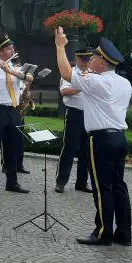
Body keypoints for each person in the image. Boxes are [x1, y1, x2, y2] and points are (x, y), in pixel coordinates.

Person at [54, 28, 132, 246]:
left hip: (101, 139)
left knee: (102, 187)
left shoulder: (98, 82)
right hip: (120, 138)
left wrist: (60, 46)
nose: (91, 60)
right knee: (119, 186)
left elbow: (65, 72)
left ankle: (103, 233)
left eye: (95, 57)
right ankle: (124, 233)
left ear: (102, 63)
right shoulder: (123, 83)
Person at [0, 35, 32, 195]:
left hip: (14, 109)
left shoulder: (16, 67)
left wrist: (11, 71)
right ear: (1, 52)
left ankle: (12, 182)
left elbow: (29, 77)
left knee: (13, 146)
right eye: (9, 48)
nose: (13, 50)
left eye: (12, 48)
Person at [55, 48, 95, 194]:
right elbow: (64, 91)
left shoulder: (93, 74)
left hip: (90, 115)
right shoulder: (70, 72)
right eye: (84, 59)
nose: (86, 62)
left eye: (88, 59)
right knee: (69, 148)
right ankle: (61, 182)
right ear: (77, 59)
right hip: (74, 114)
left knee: (87, 150)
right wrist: (81, 86)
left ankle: (82, 182)